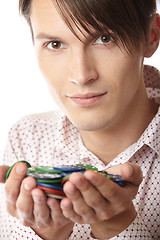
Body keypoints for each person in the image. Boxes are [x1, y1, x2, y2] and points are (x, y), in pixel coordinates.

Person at [0, 0, 160, 239]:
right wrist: (46, 234)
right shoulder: (27, 138)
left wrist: (119, 227)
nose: (81, 75)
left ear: (151, 36)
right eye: (55, 44)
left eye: (105, 38)